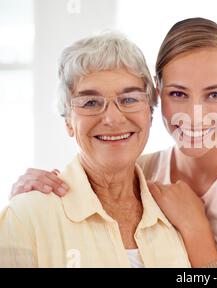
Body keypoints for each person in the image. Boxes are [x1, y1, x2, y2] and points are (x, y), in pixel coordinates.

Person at [10, 18, 217, 268]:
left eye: (214, 95)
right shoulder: (136, 170)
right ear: (157, 94)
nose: (195, 115)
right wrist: (30, 198)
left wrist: (196, 230)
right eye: (178, 94)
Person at [0, 33, 191, 268]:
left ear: (150, 113)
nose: (112, 118)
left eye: (129, 99)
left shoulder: (175, 214)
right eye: (90, 102)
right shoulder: (27, 216)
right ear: (69, 121)